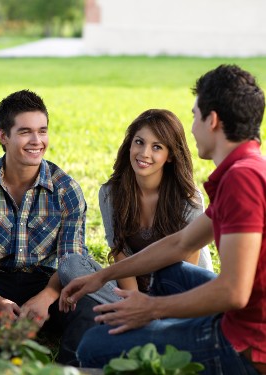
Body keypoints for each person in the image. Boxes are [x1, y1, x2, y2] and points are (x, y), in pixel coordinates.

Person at [60, 64, 266, 374]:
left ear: (212, 120)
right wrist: (103, 275)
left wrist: (150, 308)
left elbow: (233, 292)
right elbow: (182, 242)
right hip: (244, 317)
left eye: (195, 116)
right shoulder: (248, 169)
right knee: (170, 273)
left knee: (94, 346)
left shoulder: (243, 180)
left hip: (246, 344)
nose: (192, 127)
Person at [0, 89, 98, 365]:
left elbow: (72, 260)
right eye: (25, 132)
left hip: (50, 282)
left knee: (90, 314)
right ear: (3, 136)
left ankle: (66, 370)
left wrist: (45, 298)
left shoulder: (66, 189)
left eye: (42, 131)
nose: (37, 141)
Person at [59, 109, 214, 305]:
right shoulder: (110, 194)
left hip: (182, 291)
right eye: (139, 142)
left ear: (170, 155)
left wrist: (161, 306)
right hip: (134, 290)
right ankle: (134, 314)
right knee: (70, 266)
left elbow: (187, 265)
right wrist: (134, 302)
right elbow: (119, 252)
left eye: (157, 147)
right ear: (130, 144)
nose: (144, 153)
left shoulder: (188, 198)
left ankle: (153, 318)